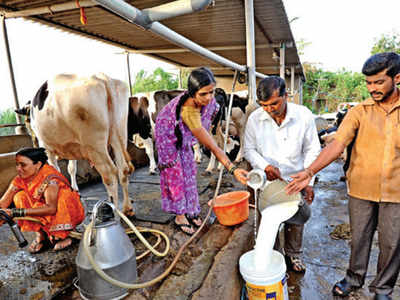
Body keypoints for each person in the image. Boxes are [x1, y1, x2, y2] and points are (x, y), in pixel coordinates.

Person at [286, 52, 400, 300]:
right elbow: (336, 145)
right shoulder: (359, 112)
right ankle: (353, 278)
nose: (373, 88)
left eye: (379, 82)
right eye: (369, 83)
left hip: (396, 192)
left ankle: (383, 290)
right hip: (360, 188)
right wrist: (309, 172)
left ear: (397, 78)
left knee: (392, 244)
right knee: (359, 238)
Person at [154, 67, 248, 235]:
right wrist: (232, 169)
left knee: (189, 169)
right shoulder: (189, 112)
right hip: (167, 133)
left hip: (183, 133)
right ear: (192, 93)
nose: (209, 97)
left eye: (211, 92)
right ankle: (180, 215)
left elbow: (211, 114)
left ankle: (191, 210)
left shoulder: (209, 100)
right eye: (203, 94)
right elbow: (213, 147)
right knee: (174, 173)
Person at [243, 76, 321, 273]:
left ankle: (294, 255)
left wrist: (308, 180)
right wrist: (265, 165)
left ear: (286, 96)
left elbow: (313, 149)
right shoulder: (255, 119)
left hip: (296, 178)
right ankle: (274, 255)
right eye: (264, 105)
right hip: (268, 181)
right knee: (268, 218)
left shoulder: (303, 116)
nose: (269, 110)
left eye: (274, 104)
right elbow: (249, 149)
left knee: (296, 219)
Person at [0, 148, 85, 253]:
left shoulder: (50, 179)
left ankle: (64, 235)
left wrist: (15, 212)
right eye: (17, 164)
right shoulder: (21, 179)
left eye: (23, 165)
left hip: (64, 211)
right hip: (43, 209)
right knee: (19, 197)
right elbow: (3, 203)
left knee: (63, 197)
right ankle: (41, 235)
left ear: (38, 164)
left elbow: (51, 209)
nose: (18, 168)